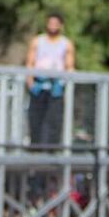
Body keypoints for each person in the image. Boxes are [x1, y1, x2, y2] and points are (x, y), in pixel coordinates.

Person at [25, 12, 75, 146]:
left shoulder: (66, 44)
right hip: (39, 84)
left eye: (55, 24)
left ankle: (52, 149)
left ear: (60, 26)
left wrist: (64, 83)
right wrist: (30, 83)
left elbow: (69, 65)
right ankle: (35, 148)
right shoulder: (37, 41)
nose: (52, 26)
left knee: (54, 119)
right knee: (35, 118)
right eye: (50, 23)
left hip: (56, 85)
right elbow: (30, 63)